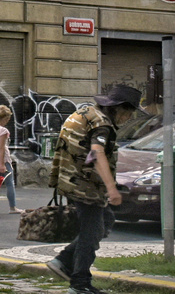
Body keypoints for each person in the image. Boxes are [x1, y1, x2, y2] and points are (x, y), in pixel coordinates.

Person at [45, 84, 143, 294]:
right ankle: (80, 283)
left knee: (105, 222)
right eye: (129, 113)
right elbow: (97, 153)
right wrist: (112, 188)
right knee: (91, 233)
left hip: (69, 180)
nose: (129, 118)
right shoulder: (103, 125)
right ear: (120, 108)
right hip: (86, 187)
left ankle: (62, 261)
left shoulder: (86, 112)